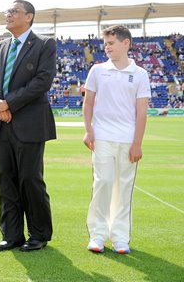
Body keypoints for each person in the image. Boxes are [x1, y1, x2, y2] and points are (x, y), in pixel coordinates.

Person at [0, 0, 56, 252]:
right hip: (2, 126)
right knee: (6, 181)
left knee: (30, 180)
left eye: (14, 11)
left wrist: (8, 104)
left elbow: (42, 81)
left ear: (29, 17)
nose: (8, 14)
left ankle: (39, 234)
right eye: (7, 11)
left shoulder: (45, 44)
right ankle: (11, 235)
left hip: (30, 123)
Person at [83, 25, 150, 255]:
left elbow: (141, 112)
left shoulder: (140, 74)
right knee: (102, 185)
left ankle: (120, 238)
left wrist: (137, 143)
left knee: (124, 189)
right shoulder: (97, 70)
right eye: (105, 44)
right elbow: (88, 103)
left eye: (111, 43)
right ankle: (98, 236)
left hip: (128, 140)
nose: (107, 47)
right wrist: (88, 130)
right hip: (101, 137)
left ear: (126, 43)